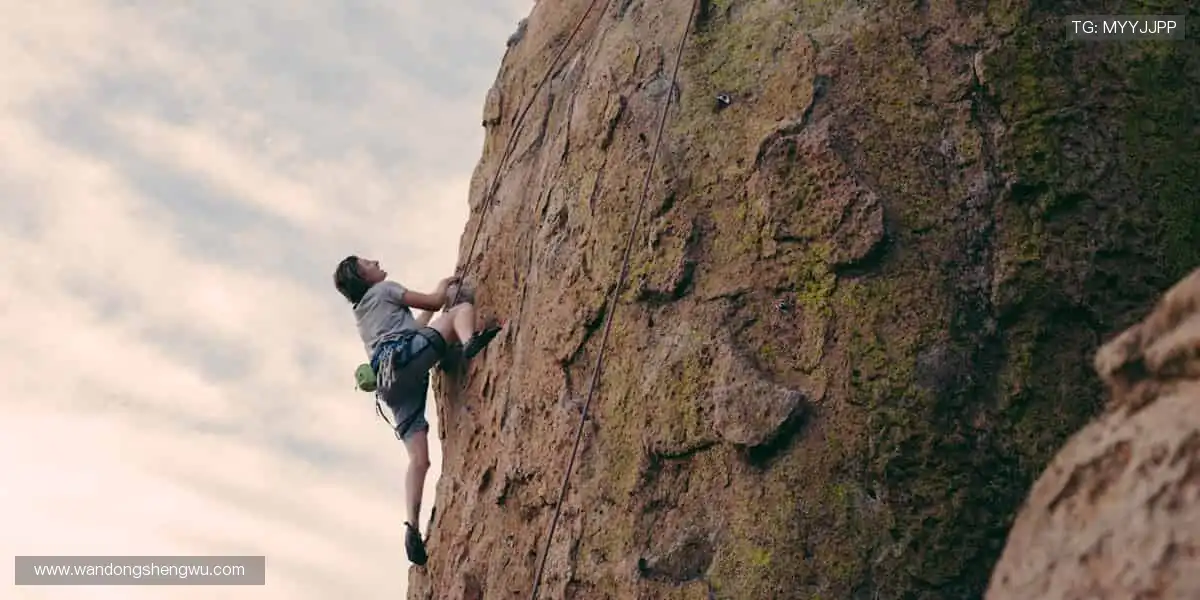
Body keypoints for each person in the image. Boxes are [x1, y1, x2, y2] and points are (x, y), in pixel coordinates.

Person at [333, 255, 501, 566]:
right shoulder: (385, 290)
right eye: (368, 263)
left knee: (419, 460)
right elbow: (435, 302)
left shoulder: (363, 313)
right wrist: (444, 286)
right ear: (363, 277)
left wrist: (434, 313)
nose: (376, 261)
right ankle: (470, 342)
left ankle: (412, 525)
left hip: (390, 383)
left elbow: (415, 329)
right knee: (461, 310)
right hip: (404, 362)